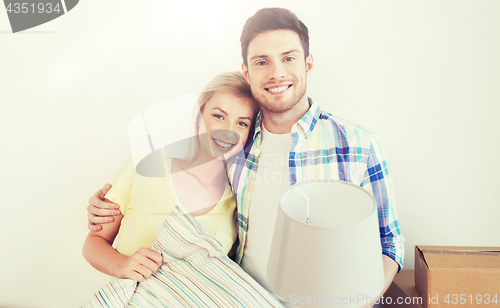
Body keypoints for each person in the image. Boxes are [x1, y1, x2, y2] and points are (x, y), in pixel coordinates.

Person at [87, 8, 404, 307]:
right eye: (262, 61)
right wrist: (105, 204)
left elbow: (389, 243)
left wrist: (357, 302)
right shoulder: (236, 148)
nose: (277, 72)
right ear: (247, 71)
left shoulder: (357, 145)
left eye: (288, 58)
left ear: (308, 63)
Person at [82, 72, 259, 282]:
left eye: (242, 124)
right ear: (198, 116)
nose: (228, 131)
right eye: (219, 116)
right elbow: (94, 241)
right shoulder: (145, 166)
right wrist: (121, 265)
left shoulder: (239, 204)